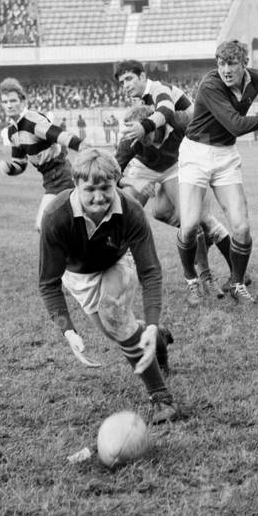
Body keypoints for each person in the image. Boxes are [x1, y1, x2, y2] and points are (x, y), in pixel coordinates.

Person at [38, 147, 177, 424]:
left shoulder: (130, 209)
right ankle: (158, 338)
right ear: (75, 184)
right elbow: (48, 284)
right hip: (78, 277)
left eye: (106, 188)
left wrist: (151, 319)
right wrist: (68, 330)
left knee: (116, 317)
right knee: (118, 332)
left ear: (116, 182)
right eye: (90, 189)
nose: (99, 197)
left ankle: (162, 398)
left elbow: (150, 271)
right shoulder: (55, 216)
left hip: (116, 262)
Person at [175, 40, 258, 307]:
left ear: (245, 64)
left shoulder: (255, 79)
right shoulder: (210, 85)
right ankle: (191, 280)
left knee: (241, 227)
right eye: (221, 63)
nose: (226, 70)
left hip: (226, 155)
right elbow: (237, 125)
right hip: (196, 153)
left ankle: (237, 283)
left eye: (232, 64)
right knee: (190, 225)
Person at [115, 59, 232, 303]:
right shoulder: (132, 138)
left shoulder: (174, 117)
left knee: (194, 219)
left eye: (129, 78)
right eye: (122, 81)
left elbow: (173, 115)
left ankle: (203, 277)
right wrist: (133, 183)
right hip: (143, 168)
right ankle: (119, 269)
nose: (147, 141)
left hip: (174, 165)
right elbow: (112, 172)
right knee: (126, 212)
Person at [0, 77, 84, 231]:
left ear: (23, 101)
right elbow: (20, 164)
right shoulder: (12, 132)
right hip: (50, 180)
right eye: (5, 102)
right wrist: (10, 169)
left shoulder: (33, 121)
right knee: (66, 225)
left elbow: (61, 136)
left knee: (44, 224)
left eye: (13, 101)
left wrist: (85, 148)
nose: (9, 105)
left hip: (61, 175)